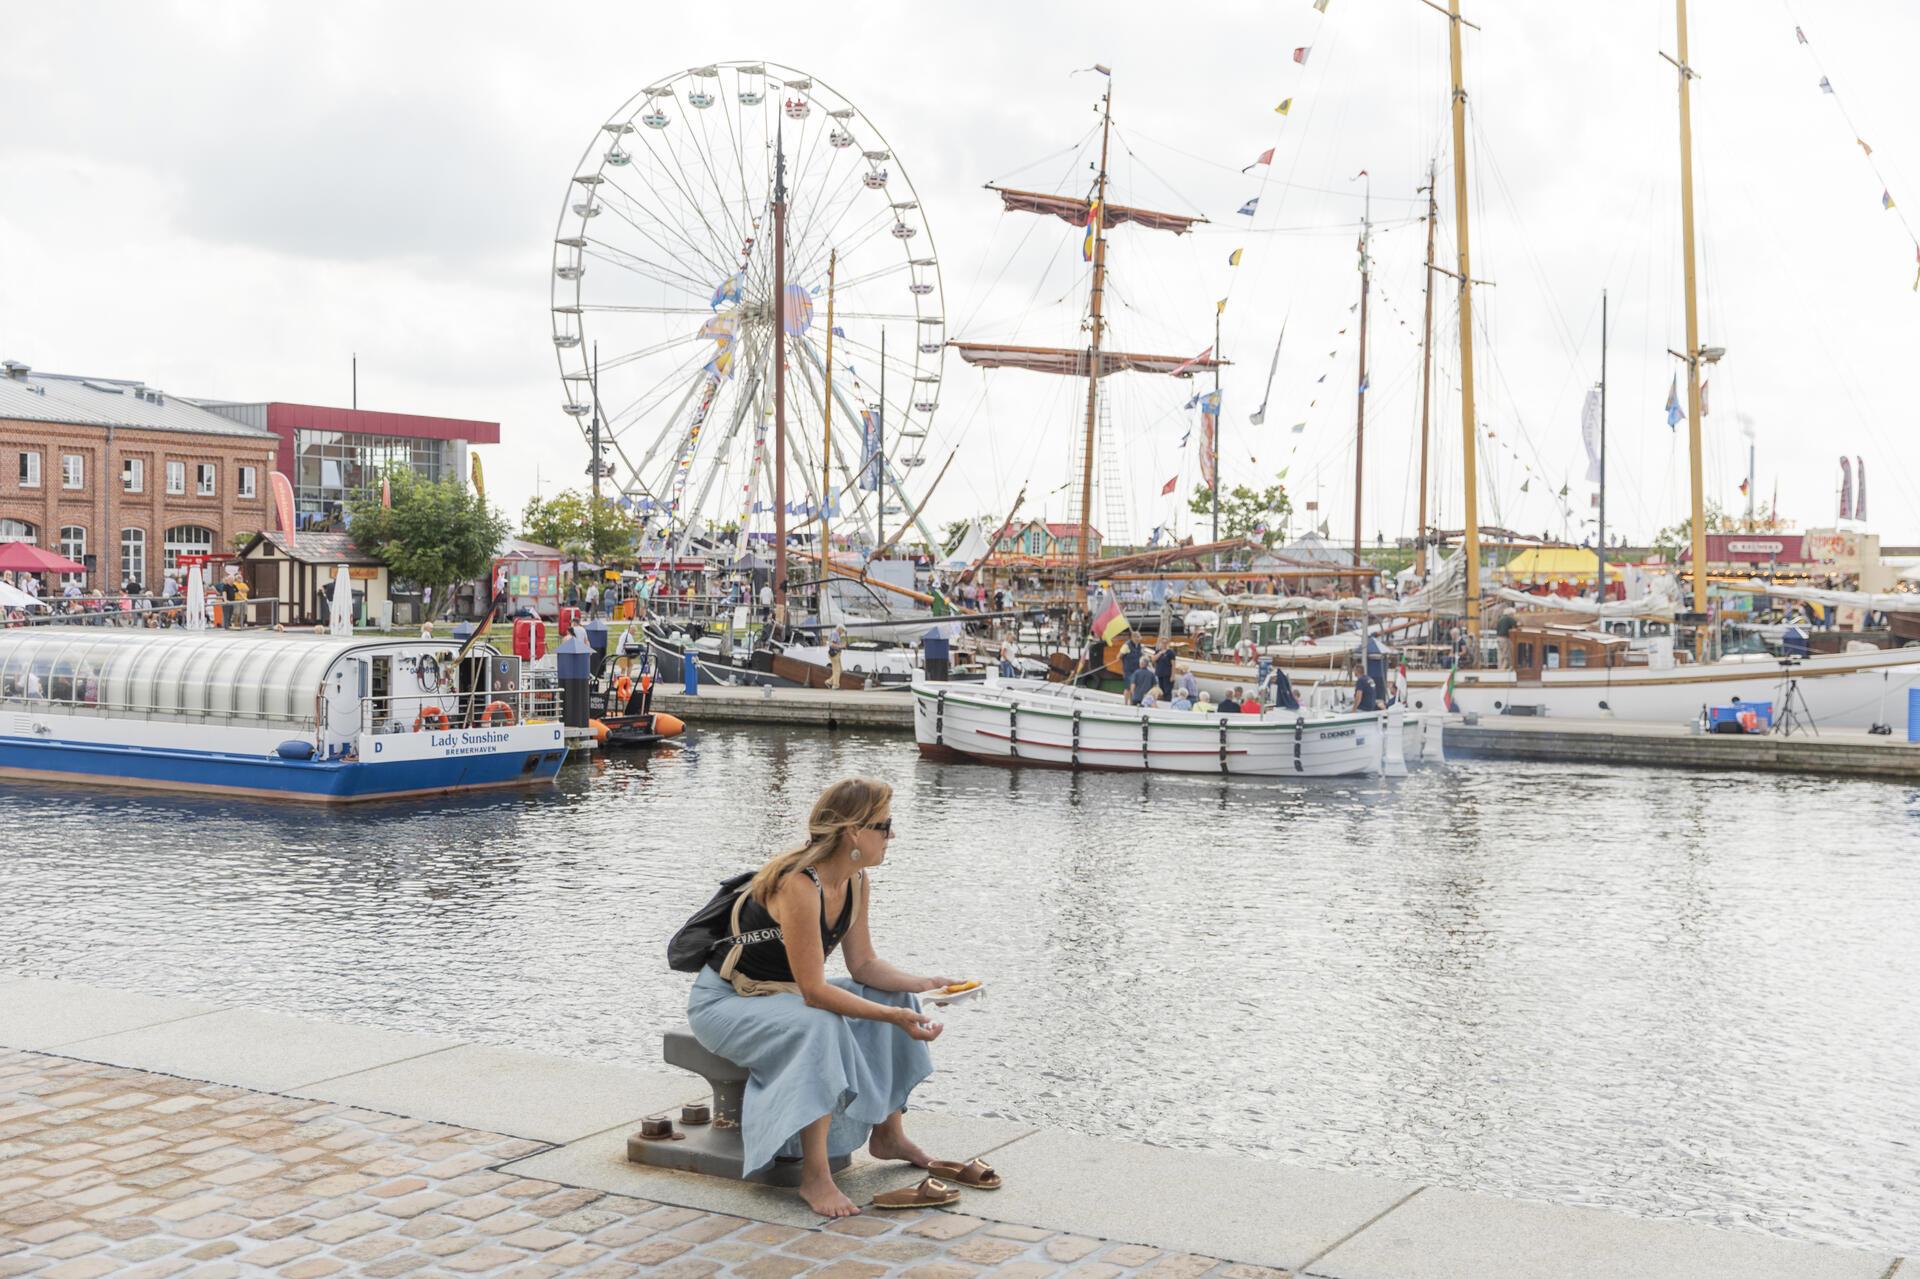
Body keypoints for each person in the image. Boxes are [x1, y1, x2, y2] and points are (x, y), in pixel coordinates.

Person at [685, 778, 987, 1219]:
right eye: (884, 826)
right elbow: (815, 993)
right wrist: (893, 1016)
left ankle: (888, 1134)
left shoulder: (856, 880)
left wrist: (925, 984)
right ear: (853, 832)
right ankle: (816, 1175)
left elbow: (863, 965)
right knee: (823, 1022)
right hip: (727, 1002)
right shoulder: (798, 885)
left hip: (784, 993)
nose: (892, 835)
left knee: (894, 989)